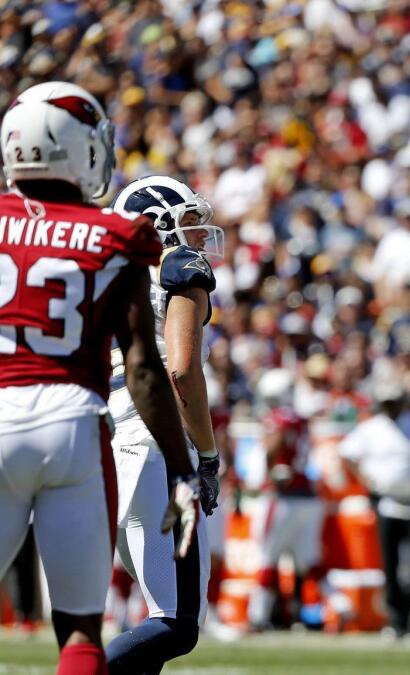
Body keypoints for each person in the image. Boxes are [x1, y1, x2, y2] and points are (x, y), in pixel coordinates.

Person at [0, 81, 198, 675]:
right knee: (82, 631)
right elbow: (145, 367)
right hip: (76, 429)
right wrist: (184, 466)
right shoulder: (116, 238)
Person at [104, 176, 224, 674]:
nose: (200, 234)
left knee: (158, 620)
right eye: (189, 220)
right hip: (157, 445)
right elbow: (181, 370)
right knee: (176, 624)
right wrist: (208, 455)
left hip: (109, 446)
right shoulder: (179, 266)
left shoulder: (104, 274)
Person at [339, 380, 410, 638]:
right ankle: (397, 618)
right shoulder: (372, 428)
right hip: (386, 499)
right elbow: (346, 452)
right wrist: (365, 479)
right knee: (390, 562)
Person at [248, 368, 324, 631]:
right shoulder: (301, 420)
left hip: (283, 497)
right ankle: (341, 606)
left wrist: (269, 472)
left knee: (267, 557)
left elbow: (272, 446)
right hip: (308, 497)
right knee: (309, 562)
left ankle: (257, 617)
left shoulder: (278, 419)